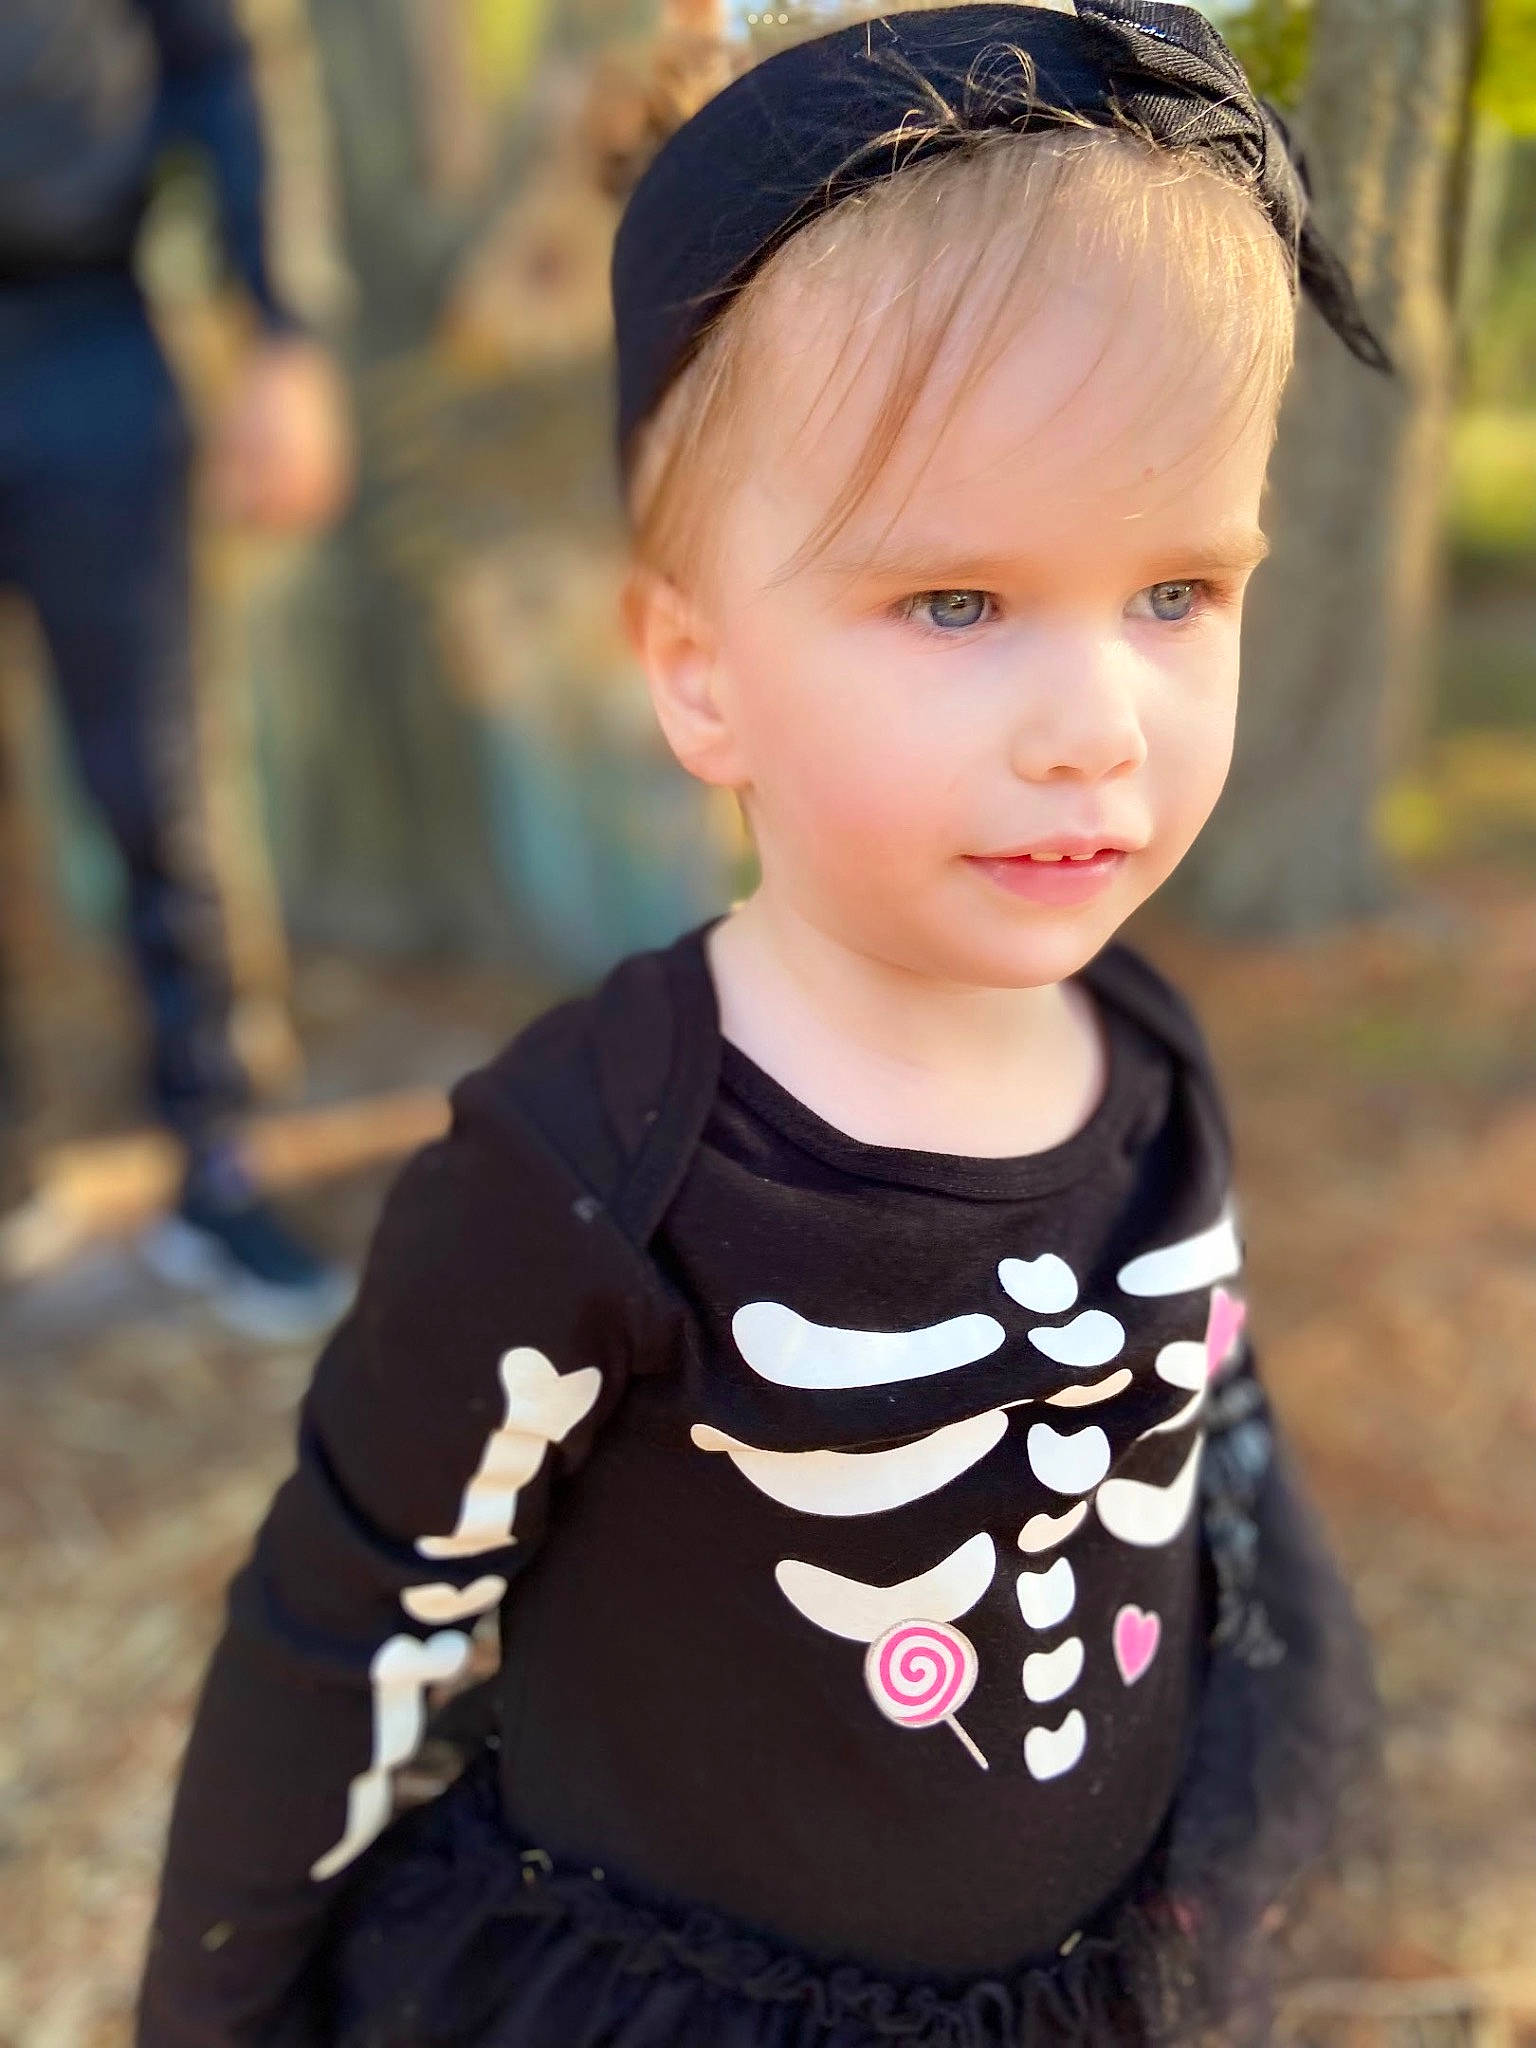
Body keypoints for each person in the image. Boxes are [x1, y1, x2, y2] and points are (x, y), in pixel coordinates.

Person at [137, 4, 1388, 2042]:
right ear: (699, 672)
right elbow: (342, 1632)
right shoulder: (585, 1170)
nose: (1101, 727)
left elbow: (1214, 1437)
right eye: (960, 602)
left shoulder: (1150, 1055)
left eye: (1178, 590)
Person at [0, 0, 353, 1337]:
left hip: (88, 342)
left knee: (151, 777)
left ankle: (215, 1153)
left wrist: (280, 327)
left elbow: (220, 60)